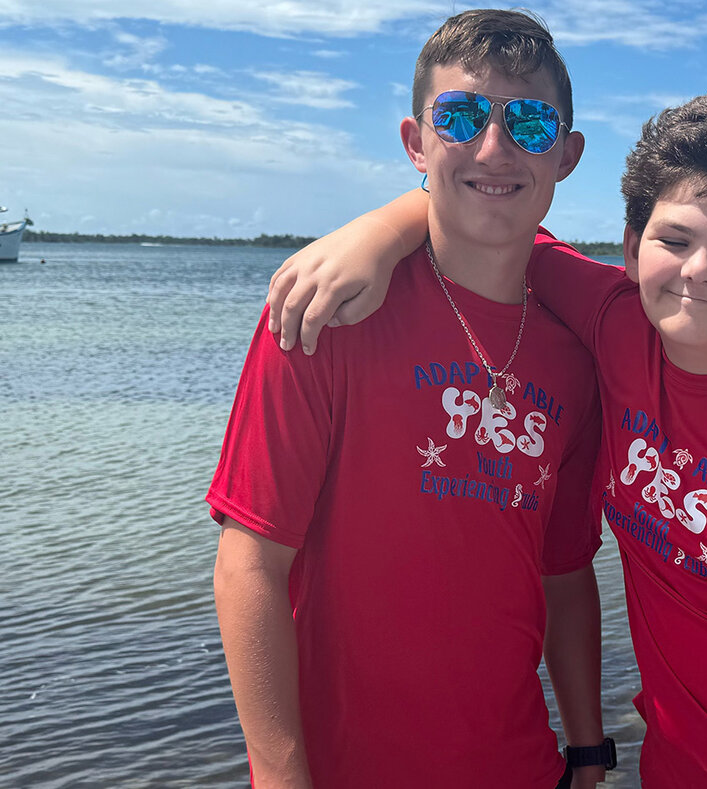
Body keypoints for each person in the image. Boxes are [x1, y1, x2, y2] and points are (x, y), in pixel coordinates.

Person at [269, 89, 707, 787]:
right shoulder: (618, 326)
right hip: (676, 767)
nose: (698, 270)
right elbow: (501, 222)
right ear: (631, 248)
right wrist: (378, 232)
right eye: (674, 240)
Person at [208, 10, 614, 788]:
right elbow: (249, 564)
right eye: (460, 117)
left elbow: (564, 571)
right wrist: (281, 775)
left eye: (528, 122)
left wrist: (589, 744)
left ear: (566, 155)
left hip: (523, 766)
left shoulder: (574, 356)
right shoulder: (327, 311)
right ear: (415, 142)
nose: (494, 147)